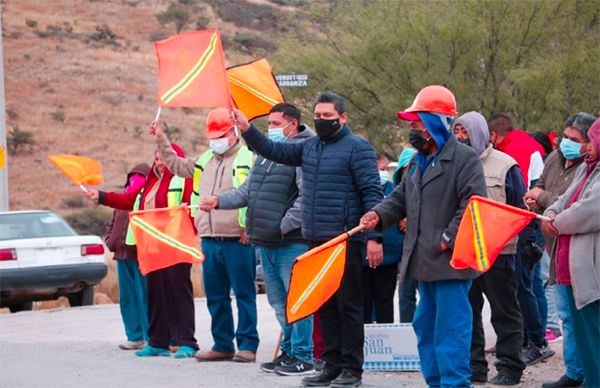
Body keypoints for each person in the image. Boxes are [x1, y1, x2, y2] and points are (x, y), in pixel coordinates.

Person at [234, 92, 383, 388]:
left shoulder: (358, 148)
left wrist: (374, 238)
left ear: (343, 118)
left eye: (328, 116)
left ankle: (352, 369)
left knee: (348, 307)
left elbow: (372, 194)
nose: (322, 120)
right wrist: (247, 130)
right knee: (324, 305)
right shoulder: (309, 147)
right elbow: (274, 150)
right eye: (318, 115)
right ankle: (331, 365)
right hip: (314, 241)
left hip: (345, 240)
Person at [361, 85, 487, 388]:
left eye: (416, 123)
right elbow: (399, 198)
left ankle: (454, 384)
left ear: (434, 124)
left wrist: (447, 239)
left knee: (451, 330)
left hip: (449, 262)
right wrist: (377, 215)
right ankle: (436, 382)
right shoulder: (418, 161)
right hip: (422, 262)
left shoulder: (465, 159)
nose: (412, 129)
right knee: (425, 327)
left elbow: (473, 205)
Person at [199, 103, 316, 375]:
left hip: (292, 241)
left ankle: (303, 354)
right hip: (267, 241)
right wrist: (218, 201)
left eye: (276, 124)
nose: (271, 129)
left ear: (293, 123)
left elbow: (305, 197)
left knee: (296, 300)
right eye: (270, 124)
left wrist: (283, 225)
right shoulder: (264, 155)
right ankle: (288, 351)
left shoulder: (302, 152)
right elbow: (246, 192)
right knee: (278, 301)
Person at [150, 108, 259, 363]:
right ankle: (222, 344)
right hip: (210, 240)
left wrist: (249, 227)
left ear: (233, 133)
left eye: (220, 134)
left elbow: (255, 195)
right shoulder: (205, 159)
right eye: (212, 135)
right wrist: (161, 139)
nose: (215, 140)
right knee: (216, 297)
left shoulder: (248, 158)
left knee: (244, 295)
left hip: (238, 240)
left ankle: (247, 346)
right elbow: (177, 166)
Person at [85, 147, 198, 358]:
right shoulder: (150, 183)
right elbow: (128, 201)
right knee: (155, 295)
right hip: (152, 248)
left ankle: (186, 342)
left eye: (164, 158)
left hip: (175, 246)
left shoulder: (185, 180)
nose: (160, 163)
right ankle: (158, 342)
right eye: (156, 159)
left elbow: (194, 211)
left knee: (178, 295)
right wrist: (100, 196)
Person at [453, 112, 527, 385]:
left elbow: (520, 208)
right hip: (466, 252)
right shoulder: (455, 164)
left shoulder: (506, 165)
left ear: (481, 133)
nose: (460, 137)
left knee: (505, 312)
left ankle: (510, 367)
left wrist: (527, 243)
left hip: (499, 253)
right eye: (456, 131)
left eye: (465, 132)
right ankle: (475, 368)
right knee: (467, 313)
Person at [527, 113, 596, 388]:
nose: (567, 143)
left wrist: (551, 210)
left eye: (576, 140)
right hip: (558, 249)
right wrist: (547, 203)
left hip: (584, 256)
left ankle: (586, 374)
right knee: (570, 318)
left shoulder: (591, 169)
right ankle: (577, 372)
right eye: (565, 137)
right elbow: (554, 193)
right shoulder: (560, 160)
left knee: (587, 322)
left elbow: (583, 209)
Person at [488, 113, 552, 365]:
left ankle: (535, 340)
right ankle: (526, 338)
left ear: (494, 135)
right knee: (530, 284)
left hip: (525, 225)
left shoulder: (515, 151)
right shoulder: (525, 144)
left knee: (525, 285)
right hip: (529, 223)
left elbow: (520, 193)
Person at [103, 163, 150, 350]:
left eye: (139, 178)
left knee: (144, 296)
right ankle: (134, 336)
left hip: (140, 257)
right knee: (127, 298)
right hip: (121, 256)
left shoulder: (146, 200)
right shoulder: (122, 201)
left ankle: (149, 336)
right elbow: (112, 223)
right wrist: (109, 240)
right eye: (132, 178)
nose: (135, 181)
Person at [362, 154, 402, 324]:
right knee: (362, 303)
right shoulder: (359, 191)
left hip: (389, 257)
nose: (383, 173)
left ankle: (386, 345)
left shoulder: (394, 191)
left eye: (385, 169)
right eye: (379, 170)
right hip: (361, 258)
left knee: (385, 303)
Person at [392, 148, 418, 323]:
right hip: (404, 251)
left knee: (430, 297)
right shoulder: (397, 192)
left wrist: (412, 219)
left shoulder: (424, 184)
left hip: (425, 248)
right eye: (406, 168)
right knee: (405, 294)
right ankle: (407, 333)